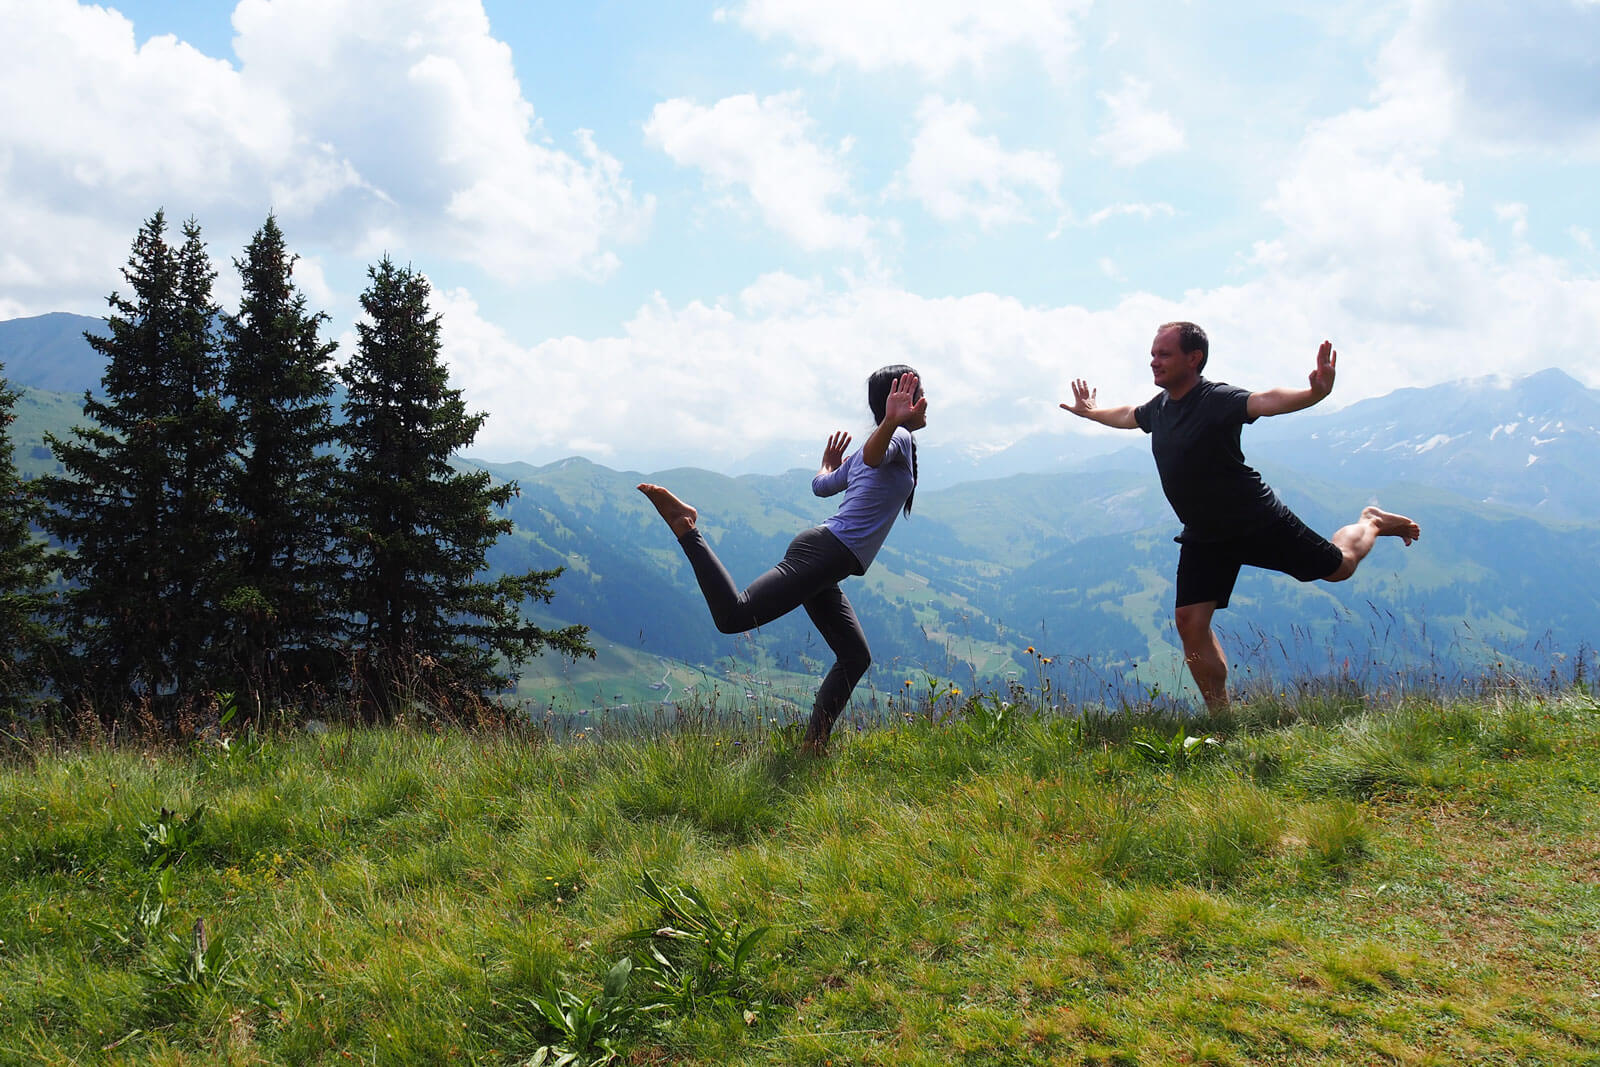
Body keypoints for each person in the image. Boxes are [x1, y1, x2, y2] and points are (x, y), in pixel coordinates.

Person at [1060, 321, 1420, 710]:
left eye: (1164, 354)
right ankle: (1221, 717)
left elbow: (1265, 401)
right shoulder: (1160, 409)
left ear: (1193, 358)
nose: (1154, 361)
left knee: (1340, 567)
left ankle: (1372, 521)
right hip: (1204, 534)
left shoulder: (1216, 399)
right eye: (1153, 353)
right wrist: (1092, 412)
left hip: (1256, 520)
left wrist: (1314, 392)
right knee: (1189, 622)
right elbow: (1128, 415)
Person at [638, 366, 927, 752]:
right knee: (733, 616)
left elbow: (821, 486)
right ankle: (687, 527)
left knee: (855, 656)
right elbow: (876, 458)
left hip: (825, 559)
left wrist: (829, 463)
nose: (923, 402)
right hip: (824, 555)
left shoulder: (868, 451)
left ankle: (813, 746)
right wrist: (894, 423)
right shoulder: (898, 439)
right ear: (895, 404)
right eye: (915, 395)